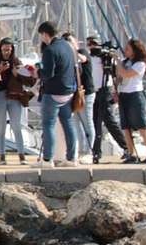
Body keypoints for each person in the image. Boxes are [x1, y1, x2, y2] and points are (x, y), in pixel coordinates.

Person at [37, 20, 79, 166]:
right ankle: (71, 158)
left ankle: (48, 159)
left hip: (53, 92)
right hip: (68, 91)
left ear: (46, 34)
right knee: (68, 124)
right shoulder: (68, 47)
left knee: (48, 125)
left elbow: (48, 74)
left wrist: (38, 72)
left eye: (42, 35)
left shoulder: (50, 50)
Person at [115, 37, 146, 163]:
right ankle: (132, 154)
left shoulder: (140, 64)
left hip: (134, 95)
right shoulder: (125, 62)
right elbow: (117, 77)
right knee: (126, 127)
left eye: (128, 48)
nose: (125, 50)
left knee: (141, 125)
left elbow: (126, 74)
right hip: (123, 94)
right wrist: (115, 92)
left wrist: (117, 62)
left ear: (135, 50)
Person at [0, 38, 31, 165]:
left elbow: (28, 80)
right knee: (1, 128)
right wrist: (0, 70)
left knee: (16, 126)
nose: (6, 53)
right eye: (3, 50)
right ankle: (2, 156)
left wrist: (17, 73)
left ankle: (21, 155)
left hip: (14, 96)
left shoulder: (17, 62)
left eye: (8, 50)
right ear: (0, 49)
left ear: (12, 50)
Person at [87, 36, 123, 161]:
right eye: (89, 44)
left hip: (105, 88)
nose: (92, 46)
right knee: (95, 120)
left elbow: (114, 73)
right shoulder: (90, 58)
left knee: (107, 119)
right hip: (95, 90)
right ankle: (96, 151)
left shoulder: (104, 58)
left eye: (94, 44)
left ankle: (125, 146)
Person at [67, 33, 96, 165]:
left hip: (86, 91)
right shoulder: (67, 57)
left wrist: (71, 51)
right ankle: (81, 150)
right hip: (74, 93)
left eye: (70, 41)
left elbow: (83, 59)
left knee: (87, 121)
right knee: (77, 123)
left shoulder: (82, 52)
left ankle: (89, 151)